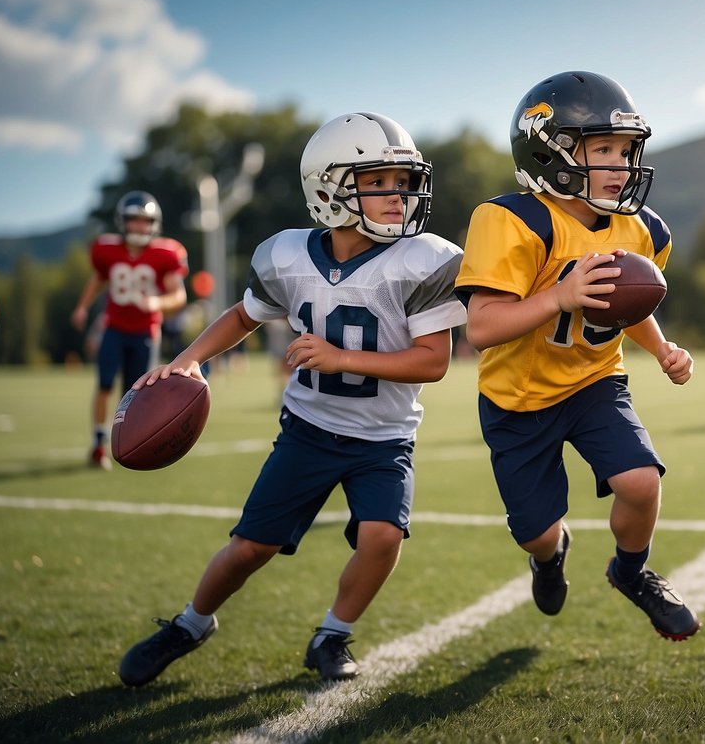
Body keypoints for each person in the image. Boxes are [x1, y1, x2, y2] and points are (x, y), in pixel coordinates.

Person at [117, 113, 466, 686]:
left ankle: (332, 633)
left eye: (403, 183)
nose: (398, 196)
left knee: (382, 537)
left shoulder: (423, 259)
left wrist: (340, 357)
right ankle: (191, 622)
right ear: (329, 186)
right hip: (309, 429)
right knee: (250, 547)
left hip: (383, 437)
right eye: (378, 182)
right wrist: (189, 359)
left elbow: (433, 361)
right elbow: (243, 316)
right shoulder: (286, 256)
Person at [454, 71, 700, 642]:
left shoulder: (642, 230)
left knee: (640, 481)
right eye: (603, 150)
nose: (620, 165)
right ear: (550, 150)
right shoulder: (514, 220)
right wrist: (560, 294)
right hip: (517, 399)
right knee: (537, 532)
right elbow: (482, 329)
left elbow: (624, 306)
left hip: (594, 382)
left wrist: (662, 349)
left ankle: (631, 572)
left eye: (625, 150)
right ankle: (549, 555)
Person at [70, 191, 188, 469]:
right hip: (114, 328)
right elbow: (99, 278)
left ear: (153, 224)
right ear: (122, 222)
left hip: (146, 332)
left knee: (135, 394)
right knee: (104, 384)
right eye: (133, 220)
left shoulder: (165, 253)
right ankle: (99, 444)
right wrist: (82, 307)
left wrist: (156, 302)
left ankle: (128, 443)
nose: (138, 227)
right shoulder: (107, 249)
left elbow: (179, 295)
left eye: (144, 221)